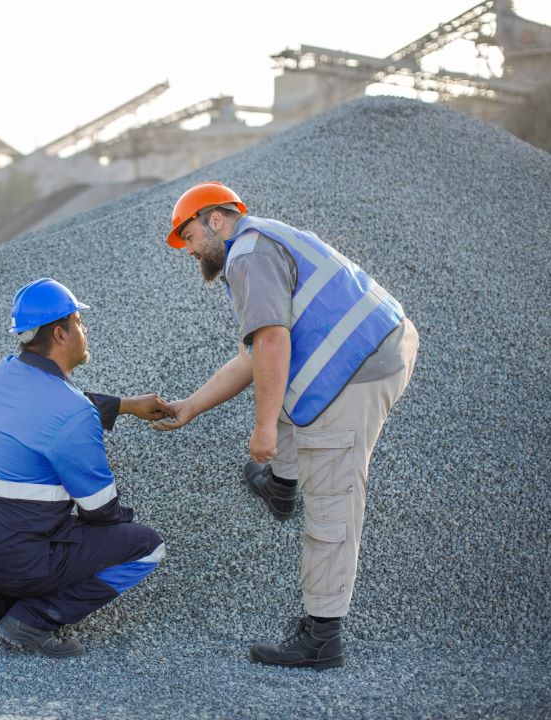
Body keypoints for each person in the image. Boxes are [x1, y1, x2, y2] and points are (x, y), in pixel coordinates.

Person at [153, 181, 419, 670]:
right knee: (284, 383)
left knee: (333, 498)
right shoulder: (264, 238)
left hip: (357, 369)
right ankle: (281, 485)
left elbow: (272, 343)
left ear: (215, 220)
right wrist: (191, 406)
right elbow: (254, 357)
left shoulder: (246, 257)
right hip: (377, 341)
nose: (188, 250)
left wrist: (264, 433)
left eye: (187, 237)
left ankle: (323, 637)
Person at [0, 278, 171, 658]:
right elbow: (102, 512)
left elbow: (51, 411)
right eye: (79, 321)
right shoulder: (73, 414)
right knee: (145, 546)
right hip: (21, 559)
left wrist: (125, 405)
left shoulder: (1, 375)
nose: (86, 329)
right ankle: (35, 617)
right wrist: (119, 530)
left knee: (31, 539)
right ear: (61, 333)